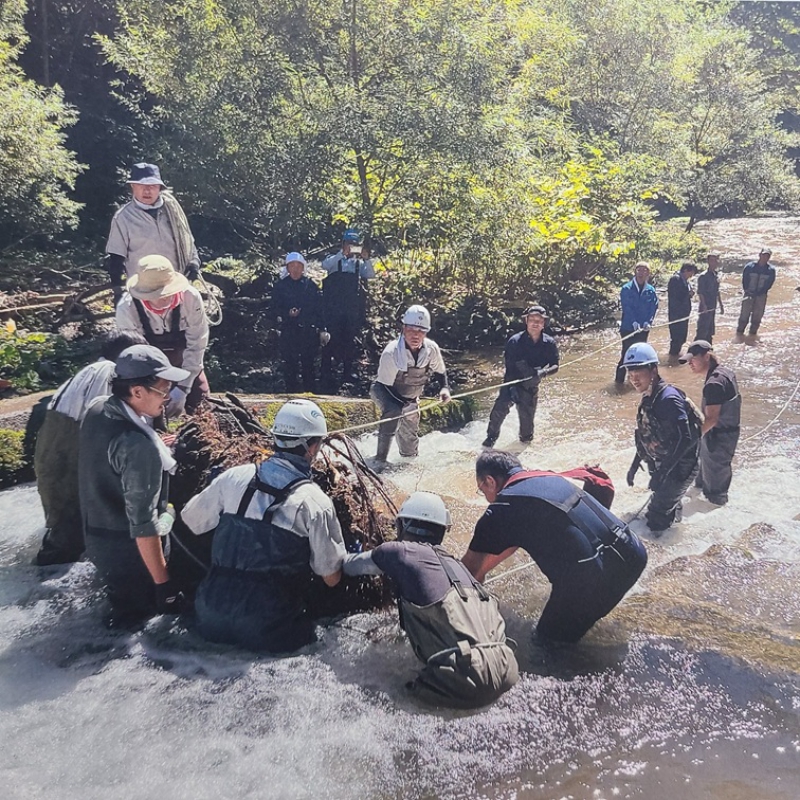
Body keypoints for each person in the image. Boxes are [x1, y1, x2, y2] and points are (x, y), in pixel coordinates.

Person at [181, 399, 346, 653]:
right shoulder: (315, 502)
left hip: (210, 614)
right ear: (312, 447)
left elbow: (191, 520)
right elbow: (331, 578)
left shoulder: (233, 476)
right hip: (269, 626)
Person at [343, 492, 518, 707]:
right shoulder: (458, 566)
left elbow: (348, 566)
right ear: (442, 531)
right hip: (507, 668)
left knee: (379, 696)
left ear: (403, 525)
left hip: (464, 678)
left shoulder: (399, 552)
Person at [462, 451, 647, 644]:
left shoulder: (502, 507)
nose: (485, 498)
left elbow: (469, 574)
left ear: (490, 481)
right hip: (633, 553)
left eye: (481, 491)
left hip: (592, 579)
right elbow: (509, 541)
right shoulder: (548, 478)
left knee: (546, 644)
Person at [79, 345, 191, 626]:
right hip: (132, 557)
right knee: (138, 629)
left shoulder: (97, 409)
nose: (167, 398)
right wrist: (164, 586)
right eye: (164, 391)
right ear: (138, 391)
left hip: (97, 541)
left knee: (116, 614)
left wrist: (153, 440)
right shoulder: (138, 448)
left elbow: (112, 459)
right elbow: (144, 525)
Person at [34, 331, 147, 566]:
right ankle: (47, 578)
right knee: (69, 523)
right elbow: (104, 418)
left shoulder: (91, 371)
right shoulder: (109, 372)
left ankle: (54, 567)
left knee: (66, 514)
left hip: (56, 448)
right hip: (69, 449)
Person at [116, 254, 210, 417]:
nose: (161, 300)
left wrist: (182, 389)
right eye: (154, 295)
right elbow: (136, 359)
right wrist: (151, 399)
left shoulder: (191, 298)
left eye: (165, 293)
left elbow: (197, 344)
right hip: (148, 370)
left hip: (187, 365)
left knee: (205, 407)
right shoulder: (127, 308)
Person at [623, 342, 701, 533]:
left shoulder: (668, 399)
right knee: (668, 508)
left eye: (638, 373)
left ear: (653, 370)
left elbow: (685, 438)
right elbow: (646, 434)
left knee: (656, 516)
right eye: (630, 374)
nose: (634, 379)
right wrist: (635, 465)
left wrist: (662, 473)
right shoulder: (650, 395)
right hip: (664, 462)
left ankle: (666, 546)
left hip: (681, 466)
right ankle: (675, 529)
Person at [105, 162, 201, 302]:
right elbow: (116, 257)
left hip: (176, 283)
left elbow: (188, 241)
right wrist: (118, 290)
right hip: (143, 289)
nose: (147, 191)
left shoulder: (173, 212)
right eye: (141, 186)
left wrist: (194, 263)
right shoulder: (123, 218)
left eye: (152, 186)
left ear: (160, 188)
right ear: (133, 186)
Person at [370, 305, 450, 469]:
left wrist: (444, 388)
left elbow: (440, 371)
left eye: (421, 331)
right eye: (412, 329)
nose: (416, 335)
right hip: (385, 391)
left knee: (409, 443)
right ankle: (380, 461)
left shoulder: (431, 349)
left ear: (426, 332)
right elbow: (384, 386)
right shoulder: (391, 352)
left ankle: (407, 465)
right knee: (393, 412)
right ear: (404, 328)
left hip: (411, 397)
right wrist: (402, 406)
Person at [482, 305, 559, 448]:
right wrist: (514, 388)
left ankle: (524, 448)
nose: (535, 323)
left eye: (539, 320)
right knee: (498, 412)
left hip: (531, 386)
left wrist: (543, 373)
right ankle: (489, 441)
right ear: (526, 321)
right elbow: (511, 366)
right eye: (532, 320)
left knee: (527, 427)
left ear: (544, 324)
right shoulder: (514, 341)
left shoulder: (549, 343)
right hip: (512, 382)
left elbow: (555, 365)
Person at [680, 340, 741, 505]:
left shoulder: (714, 383)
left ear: (706, 356)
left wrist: (692, 439)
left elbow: (712, 420)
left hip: (718, 439)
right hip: (726, 434)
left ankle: (715, 515)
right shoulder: (725, 373)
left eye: (693, 359)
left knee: (715, 492)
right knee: (701, 477)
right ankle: (696, 500)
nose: (689, 363)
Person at [320, 229, 376, 388]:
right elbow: (324, 265)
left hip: (351, 308)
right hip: (333, 308)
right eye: (349, 244)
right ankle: (326, 372)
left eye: (354, 245)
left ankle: (347, 372)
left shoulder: (358, 264)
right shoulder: (334, 260)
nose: (351, 247)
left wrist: (366, 259)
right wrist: (341, 254)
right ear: (343, 243)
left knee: (350, 341)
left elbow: (370, 275)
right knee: (330, 340)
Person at [270, 252, 325, 392]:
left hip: (308, 330)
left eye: (298, 266)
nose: (295, 269)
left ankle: (311, 393)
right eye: (292, 266)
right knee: (290, 364)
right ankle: (291, 393)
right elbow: (274, 307)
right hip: (289, 330)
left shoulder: (310, 285)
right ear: (287, 268)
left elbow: (319, 307)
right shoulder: (280, 286)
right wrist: (287, 313)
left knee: (309, 364)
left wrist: (321, 328)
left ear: (303, 267)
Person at [615, 262, 659, 384]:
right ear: (635, 272)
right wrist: (634, 322)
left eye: (644, 270)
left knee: (640, 356)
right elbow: (627, 307)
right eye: (639, 270)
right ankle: (619, 382)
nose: (641, 273)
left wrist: (648, 321)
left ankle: (636, 381)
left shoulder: (651, 290)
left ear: (648, 274)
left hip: (643, 329)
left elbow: (653, 307)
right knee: (626, 354)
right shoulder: (626, 288)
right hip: (628, 328)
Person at [737, 247, 777, 335]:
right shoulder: (749, 267)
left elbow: (769, 285)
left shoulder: (771, 270)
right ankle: (739, 334)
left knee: (757, 318)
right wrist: (747, 290)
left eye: (767, 256)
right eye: (763, 255)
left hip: (761, 296)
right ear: (759, 255)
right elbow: (744, 280)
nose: (765, 257)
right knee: (744, 317)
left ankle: (752, 335)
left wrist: (759, 293)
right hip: (748, 294)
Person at [667, 261, 698, 357]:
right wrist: (688, 294)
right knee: (676, 338)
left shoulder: (685, 281)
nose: (691, 276)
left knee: (682, 338)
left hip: (684, 314)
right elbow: (675, 296)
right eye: (691, 273)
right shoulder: (675, 279)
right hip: (676, 315)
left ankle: (676, 357)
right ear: (685, 270)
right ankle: (672, 357)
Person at [696, 250, 724, 344]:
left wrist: (721, 304)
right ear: (708, 262)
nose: (714, 263)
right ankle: (696, 349)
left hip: (713, 305)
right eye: (712, 260)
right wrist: (704, 305)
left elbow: (717, 291)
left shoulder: (715, 275)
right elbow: (700, 292)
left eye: (716, 260)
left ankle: (708, 348)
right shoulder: (703, 276)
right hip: (705, 306)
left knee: (710, 329)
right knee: (702, 329)